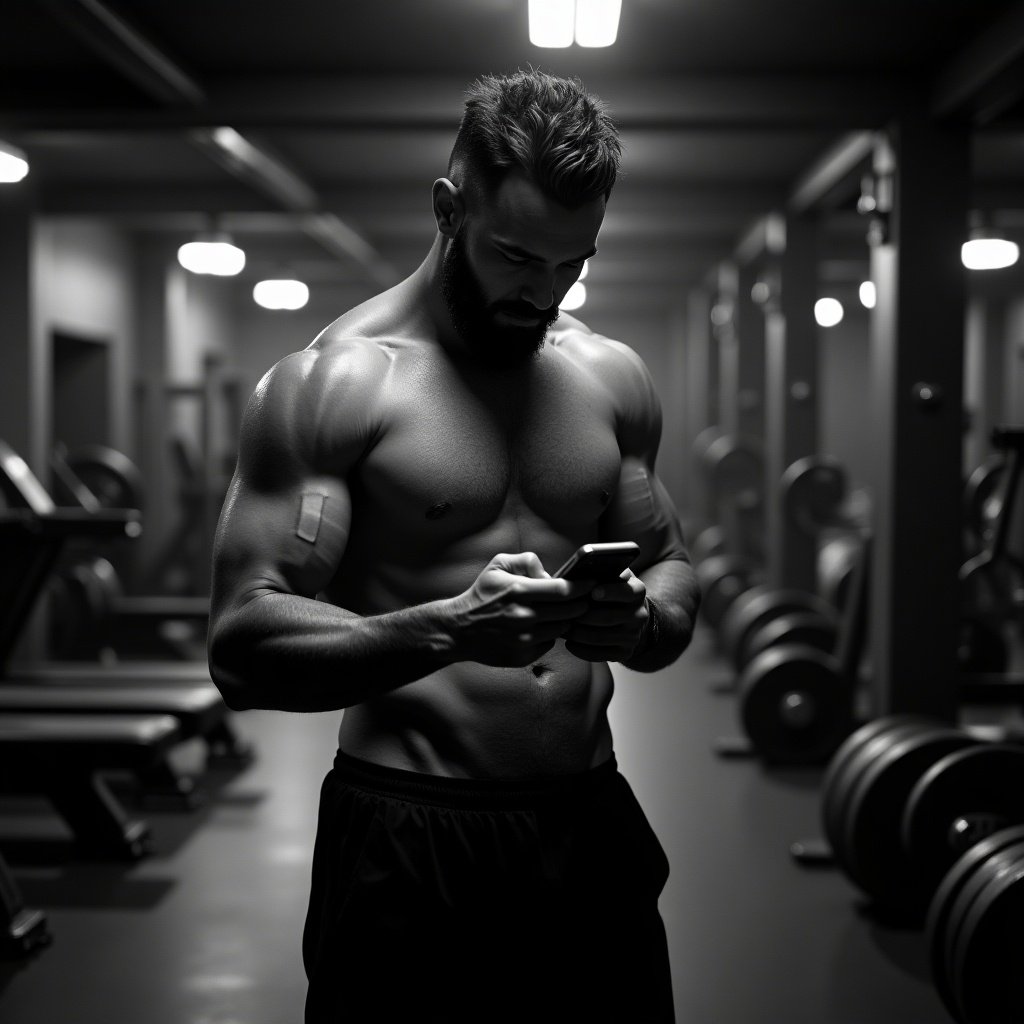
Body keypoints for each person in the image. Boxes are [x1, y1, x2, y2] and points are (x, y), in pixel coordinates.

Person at [208, 68, 700, 1024]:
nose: (543, 293)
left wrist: (641, 621)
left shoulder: (609, 376)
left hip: (587, 822)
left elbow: (672, 565)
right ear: (448, 208)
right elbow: (241, 642)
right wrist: (448, 628)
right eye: (517, 257)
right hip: (410, 833)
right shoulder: (333, 387)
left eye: (571, 264)